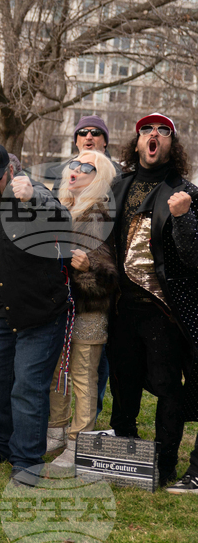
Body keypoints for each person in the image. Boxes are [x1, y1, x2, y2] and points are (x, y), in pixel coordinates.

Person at [0, 143, 72, 487]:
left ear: (10, 172)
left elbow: (63, 222)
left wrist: (32, 199)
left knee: (28, 387)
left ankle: (26, 461)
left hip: (40, 312)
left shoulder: (31, 193)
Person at [106, 114, 198, 491]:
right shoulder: (119, 185)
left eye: (162, 131)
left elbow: (194, 257)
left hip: (163, 310)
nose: (153, 135)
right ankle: (127, 456)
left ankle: (164, 464)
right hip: (120, 307)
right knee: (123, 383)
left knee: (166, 386)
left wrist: (182, 217)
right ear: (138, 141)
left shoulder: (185, 191)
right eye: (147, 130)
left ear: (171, 145)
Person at [47, 150, 118, 468]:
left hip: (90, 309)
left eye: (86, 167)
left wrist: (89, 266)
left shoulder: (102, 214)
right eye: (73, 164)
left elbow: (112, 272)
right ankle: (56, 431)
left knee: (83, 377)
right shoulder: (60, 207)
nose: (75, 170)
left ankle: (78, 443)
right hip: (59, 307)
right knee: (56, 372)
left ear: (99, 176)